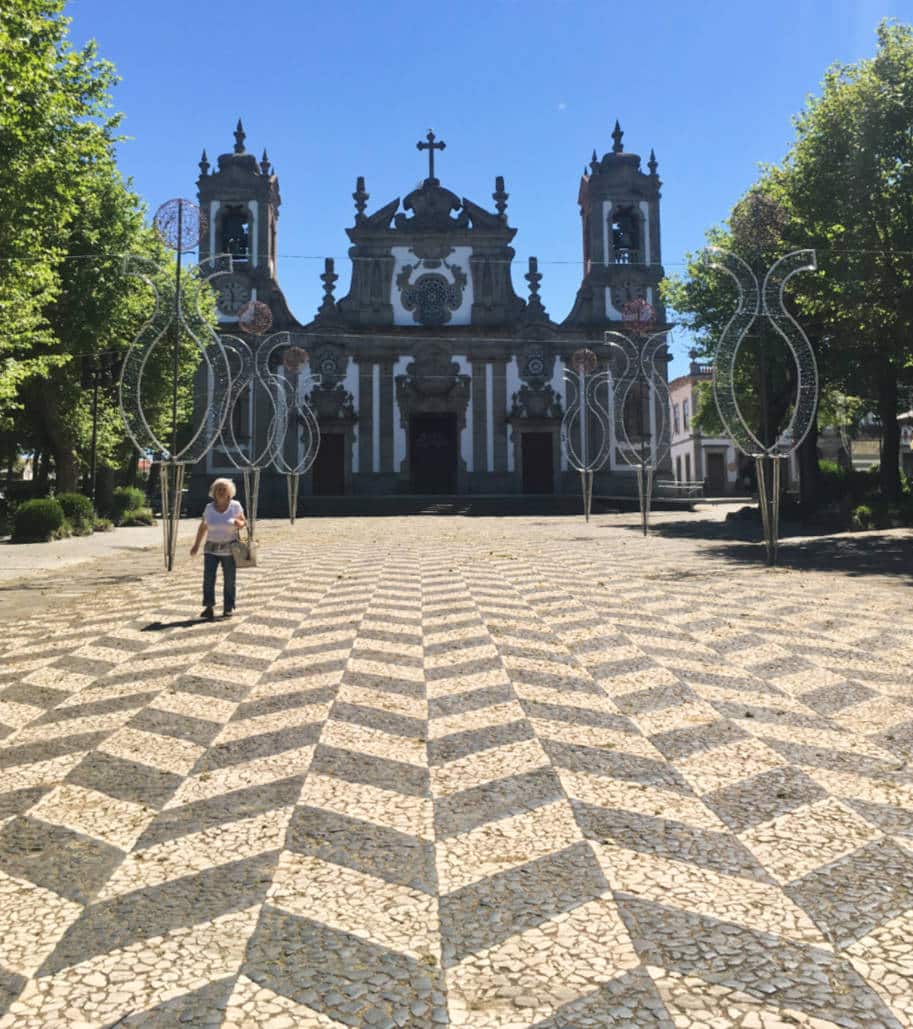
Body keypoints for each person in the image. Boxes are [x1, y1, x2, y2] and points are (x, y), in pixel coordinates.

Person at [190, 478, 246, 620]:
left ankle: (228, 608)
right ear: (213, 492)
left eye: (223, 489)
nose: (221, 491)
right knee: (208, 579)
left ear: (229, 492)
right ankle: (209, 607)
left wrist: (236, 521)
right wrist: (196, 545)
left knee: (229, 579)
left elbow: (243, 523)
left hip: (229, 549)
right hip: (210, 549)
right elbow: (203, 527)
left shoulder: (235, 506)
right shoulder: (209, 508)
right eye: (218, 489)